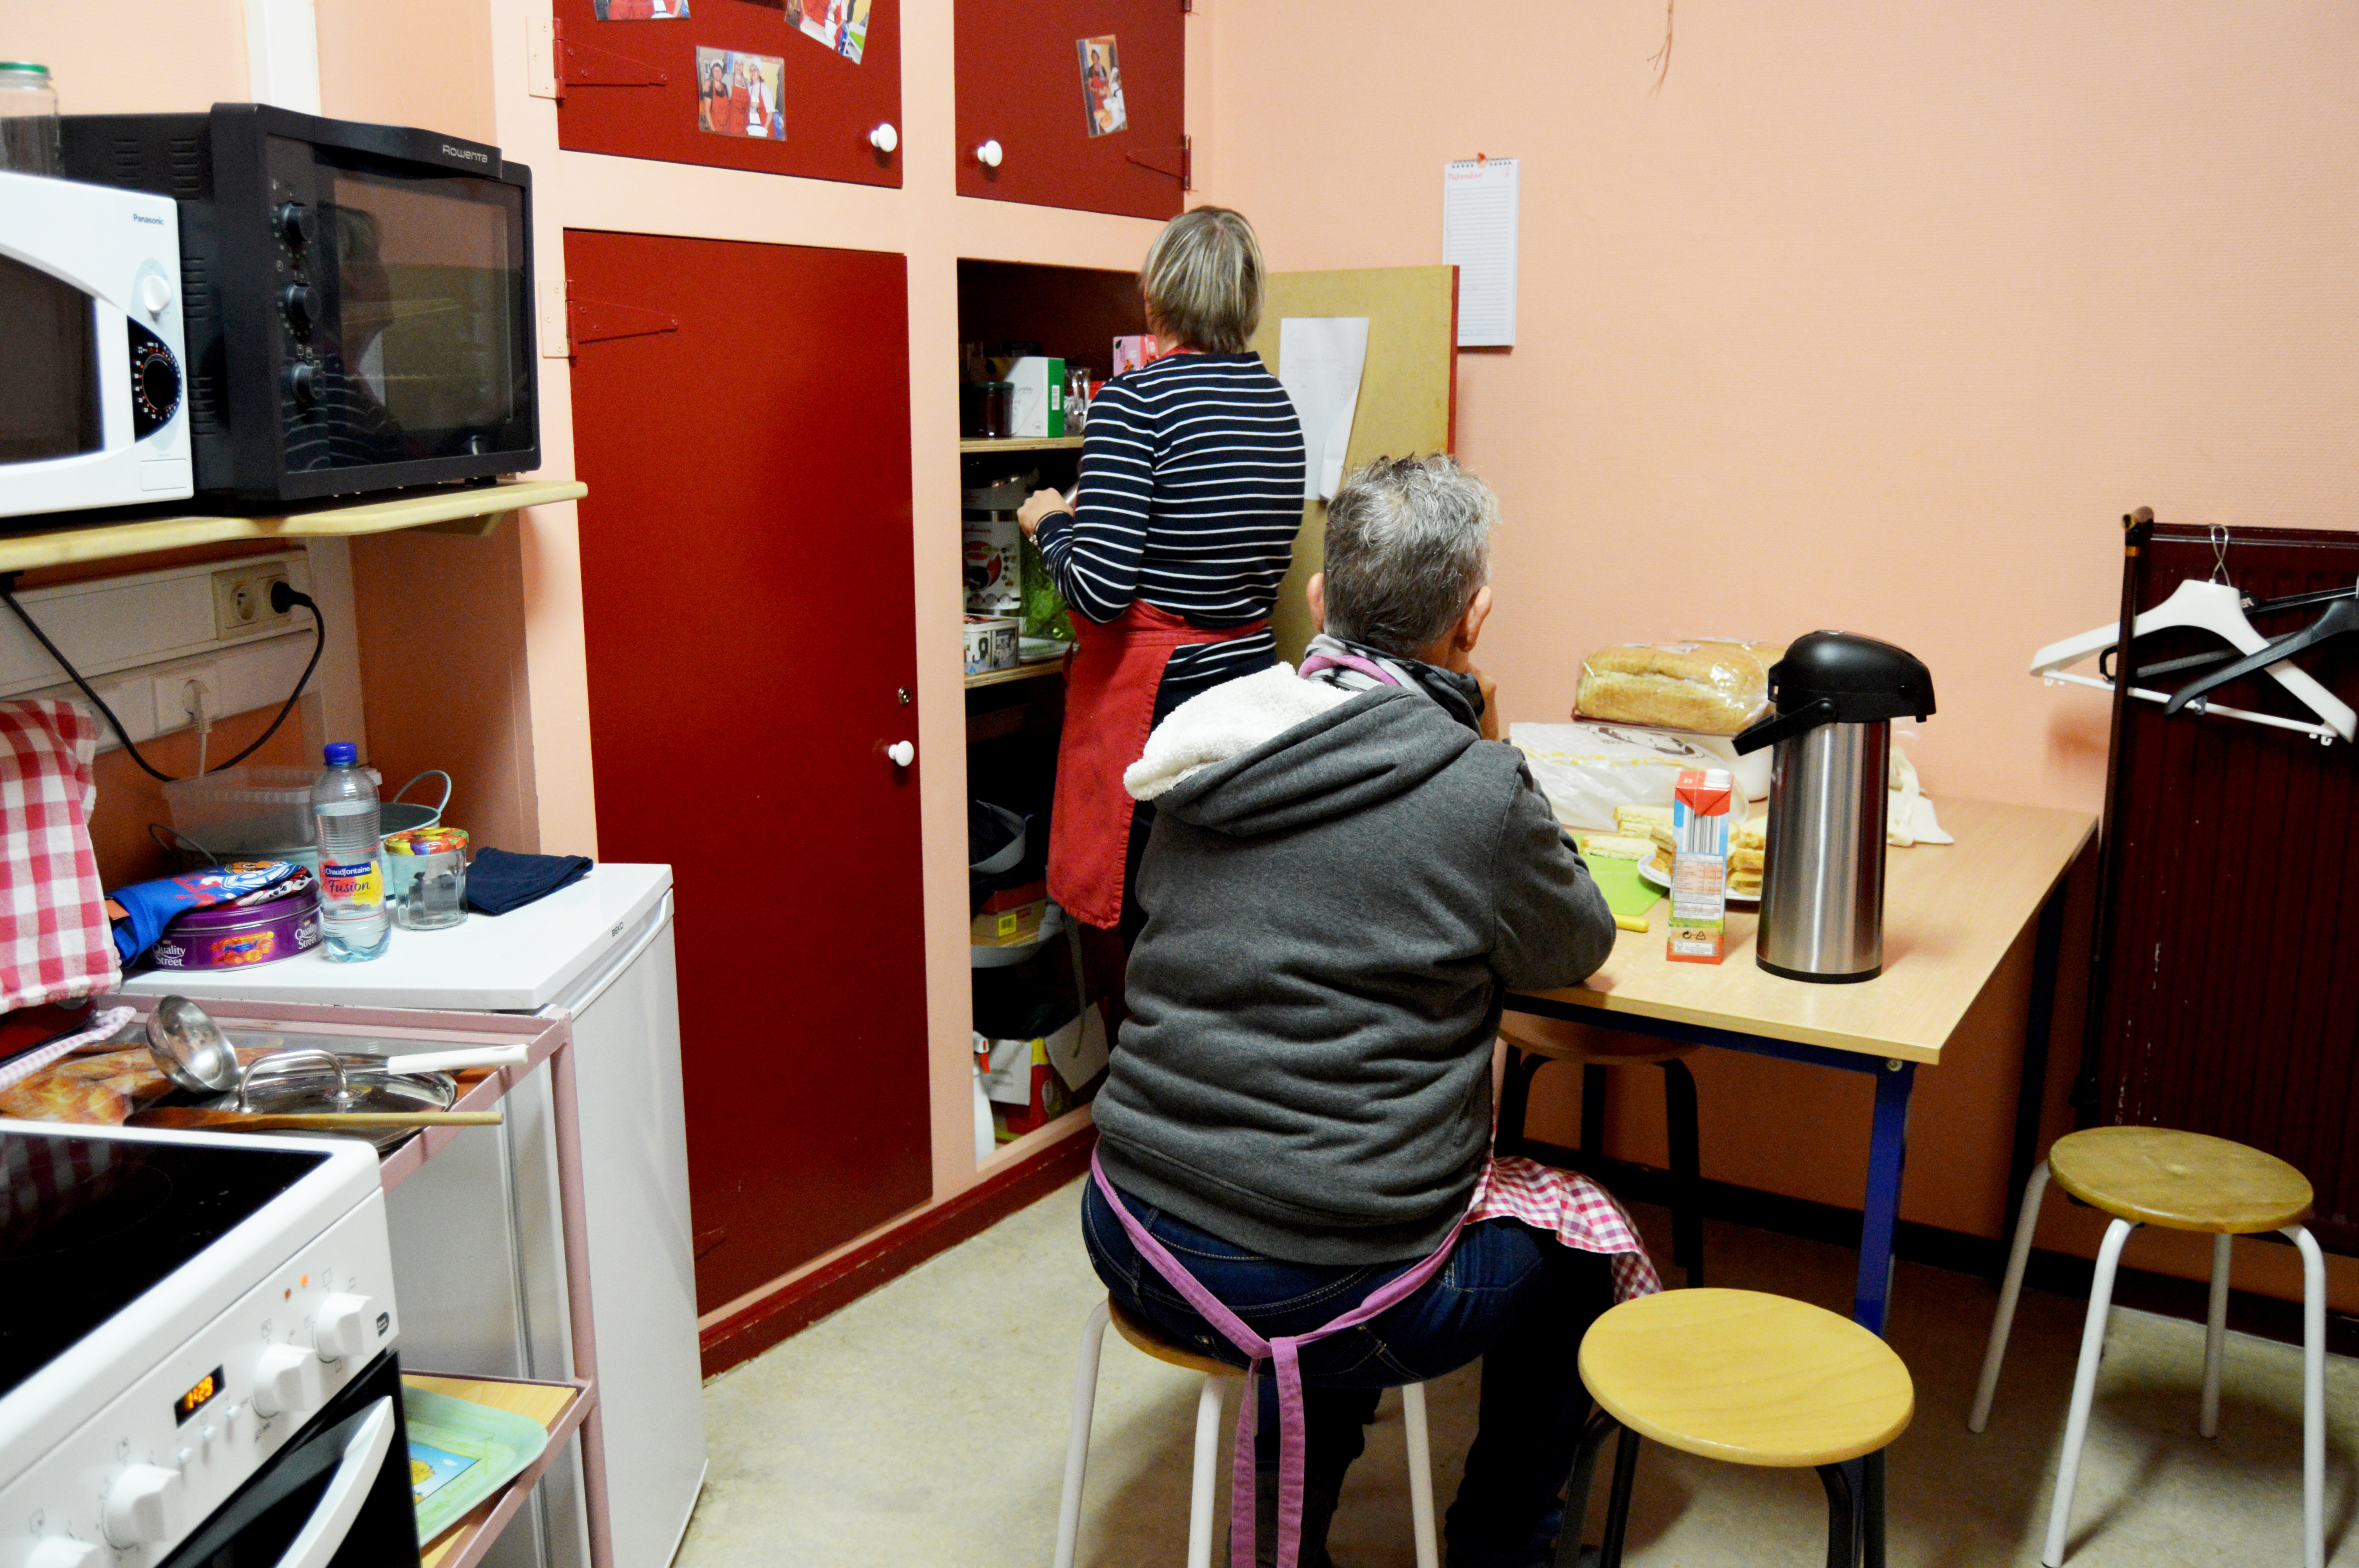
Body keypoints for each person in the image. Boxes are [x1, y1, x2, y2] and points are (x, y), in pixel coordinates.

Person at [1081, 455, 1641, 1568]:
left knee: (1331, 1183)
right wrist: (1491, 753)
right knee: (1582, 1259)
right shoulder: (1477, 788)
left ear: (1323, 602)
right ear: (1473, 623)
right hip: (1319, 1278)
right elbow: (1574, 945)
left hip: (1131, 1225)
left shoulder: (1200, 746)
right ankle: (1502, 1548)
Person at [1016, 207, 1305, 947]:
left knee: (1154, 937)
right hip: (1248, 691)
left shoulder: (1133, 404)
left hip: (1161, 706)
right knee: (1222, 923)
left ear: (1156, 297)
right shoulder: (1278, 405)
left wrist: (1050, 521)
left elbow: (1099, 592)